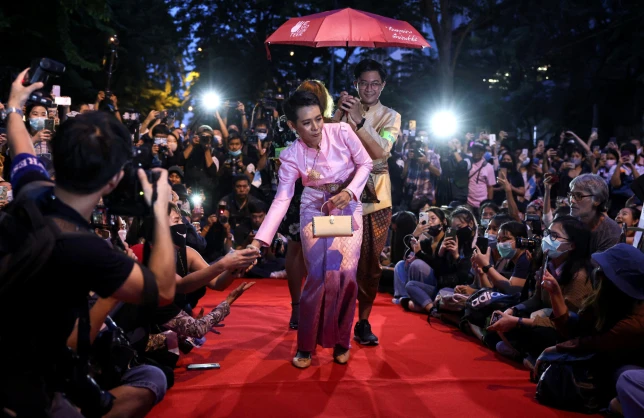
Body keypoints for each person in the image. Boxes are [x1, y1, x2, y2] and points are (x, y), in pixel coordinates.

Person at [0, 69, 176, 417]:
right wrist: (159, 212)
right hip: (26, 389)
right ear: (113, 180)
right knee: (152, 379)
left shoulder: (32, 190)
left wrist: (15, 107)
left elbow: (21, 146)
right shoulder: (85, 248)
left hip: (11, 348)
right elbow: (164, 290)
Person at [251, 91, 372, 368]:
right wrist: (260, 241)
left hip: (348, 204)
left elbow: (366, 163)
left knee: (347, 275)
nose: (316, 127)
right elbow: (282, 198)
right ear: (293, 126)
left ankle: (343, 341)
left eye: (318, 119)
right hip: (314, 208)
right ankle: (305, 345)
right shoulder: (291, 155)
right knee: (317, 275)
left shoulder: (342, 131)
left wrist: (351, 192)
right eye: (307, 123)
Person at [335, 58, 401, 346]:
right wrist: (338, 112)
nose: (369, 88)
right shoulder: (343, 108)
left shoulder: (391, 116)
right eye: (364, 83)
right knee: (336, 259)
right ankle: (336, 317)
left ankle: (363, 321)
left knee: (371, 264)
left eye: (375, 83)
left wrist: (359, 122)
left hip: (377, 199)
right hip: (339, 195)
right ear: (355, 84)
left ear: (383, 85)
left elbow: (382, 152)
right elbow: (325, 144)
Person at [536, 244, 644, 407]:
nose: (597, 271)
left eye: (603, 269)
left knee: (623, 376)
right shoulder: (607, 300)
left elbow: (592, 344)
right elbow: (576, 329)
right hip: (606, 355)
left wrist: (553, 350)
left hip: (628, 366)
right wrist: (555, 294)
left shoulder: (635, 323)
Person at [487, 216, 593, 364]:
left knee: (539, 333)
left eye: (555, 236)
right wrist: (513, 310)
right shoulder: (547, 264)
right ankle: (525, 354)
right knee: (499, 319)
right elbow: (537, 299)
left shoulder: (579, 276)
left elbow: (566, 324)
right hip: (545, 316)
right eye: (548, 233)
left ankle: (530, 356)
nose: (548, 239)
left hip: (565, 330)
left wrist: (517, 321)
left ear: (572, 245)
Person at [284, 80, 336, 330]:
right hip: (295, 192)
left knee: (329, 249)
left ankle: (319, 305)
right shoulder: (289, 123)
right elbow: (279, 157)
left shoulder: (332, 124)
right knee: (297, 249)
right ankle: (299, 306)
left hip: (329, 197)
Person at [568, 173, 621, 254]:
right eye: (571, 195)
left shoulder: (611, 232)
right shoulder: (570, 221)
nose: (572, 200)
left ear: (597, 200)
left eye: (579, 196)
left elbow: (599, 265)